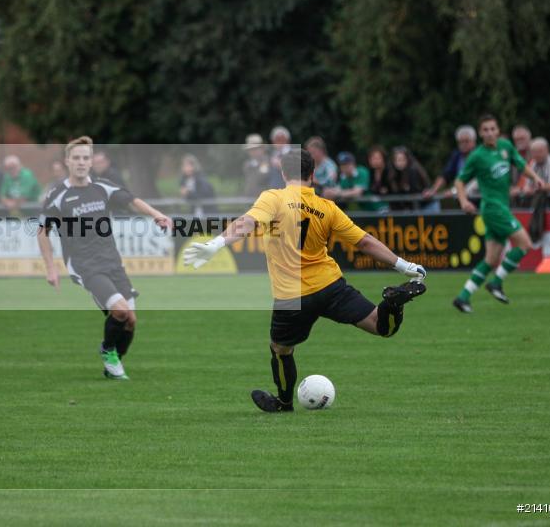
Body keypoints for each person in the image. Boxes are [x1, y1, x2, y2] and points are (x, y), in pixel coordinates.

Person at [182, 148, 427, 412]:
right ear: (312, 174)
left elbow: (248, 222)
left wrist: (216, 244)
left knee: (280, 349)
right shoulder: (327, 207)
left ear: (282, 173)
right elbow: (365, 242)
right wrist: (405, 265)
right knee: (381, 326)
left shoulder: (273, 198)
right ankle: (392, 304)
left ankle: (284, 403)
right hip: (330, 286)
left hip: (292, 296)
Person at [37, 136, 172, 380]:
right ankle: (108, 351)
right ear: (67, 161)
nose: (81, 162)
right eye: (76, 158)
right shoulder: (57, 195)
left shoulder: (102, 187)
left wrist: (156, 214)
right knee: (120, 311)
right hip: (85, 265)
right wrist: (50, 268)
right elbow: (42, 232)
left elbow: (132, 201)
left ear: (91, 162)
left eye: (85, 158)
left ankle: (113, 362)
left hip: (111, 260)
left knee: (130, 320)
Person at [453, 114, 546, 313]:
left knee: (491, 259)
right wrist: (463, 200)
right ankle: (496, 282)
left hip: (500, 207)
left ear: (498, 130)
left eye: (492, 129)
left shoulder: (506, 146)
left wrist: (535, 177)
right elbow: (459, 181)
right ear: (480, 133)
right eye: (485, 130)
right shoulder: (477, 156)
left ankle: (463, 297)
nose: (489, 133)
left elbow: (521, 164)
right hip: (493, 208)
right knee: (525, 244)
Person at [423, 125, 478, 201]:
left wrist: (454, 191)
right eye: (461, 142)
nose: (463, 144)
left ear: (474, 142)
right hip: (464, 200)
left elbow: (476, 180)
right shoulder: (457, 156)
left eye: (466, 141)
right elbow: (446, 174)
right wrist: (433, 190)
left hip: (480, 199)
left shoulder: (479, 155)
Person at [388, 147, 430, 211]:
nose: (400, 162)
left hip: (425, 205)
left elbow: (415, 192)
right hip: (410, 207)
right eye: (397, 160)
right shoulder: (393, 173)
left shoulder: (413, 170)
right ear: (393, 161)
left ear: (407, 159)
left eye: (402, 159)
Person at [510, 124, 533, 201]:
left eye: (522, 138)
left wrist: (520, 187)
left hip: (534, 195)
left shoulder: (536, 152)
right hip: (516, 196)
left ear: (529, 138)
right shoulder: (512, 155)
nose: (519, 141)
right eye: (517, 139)